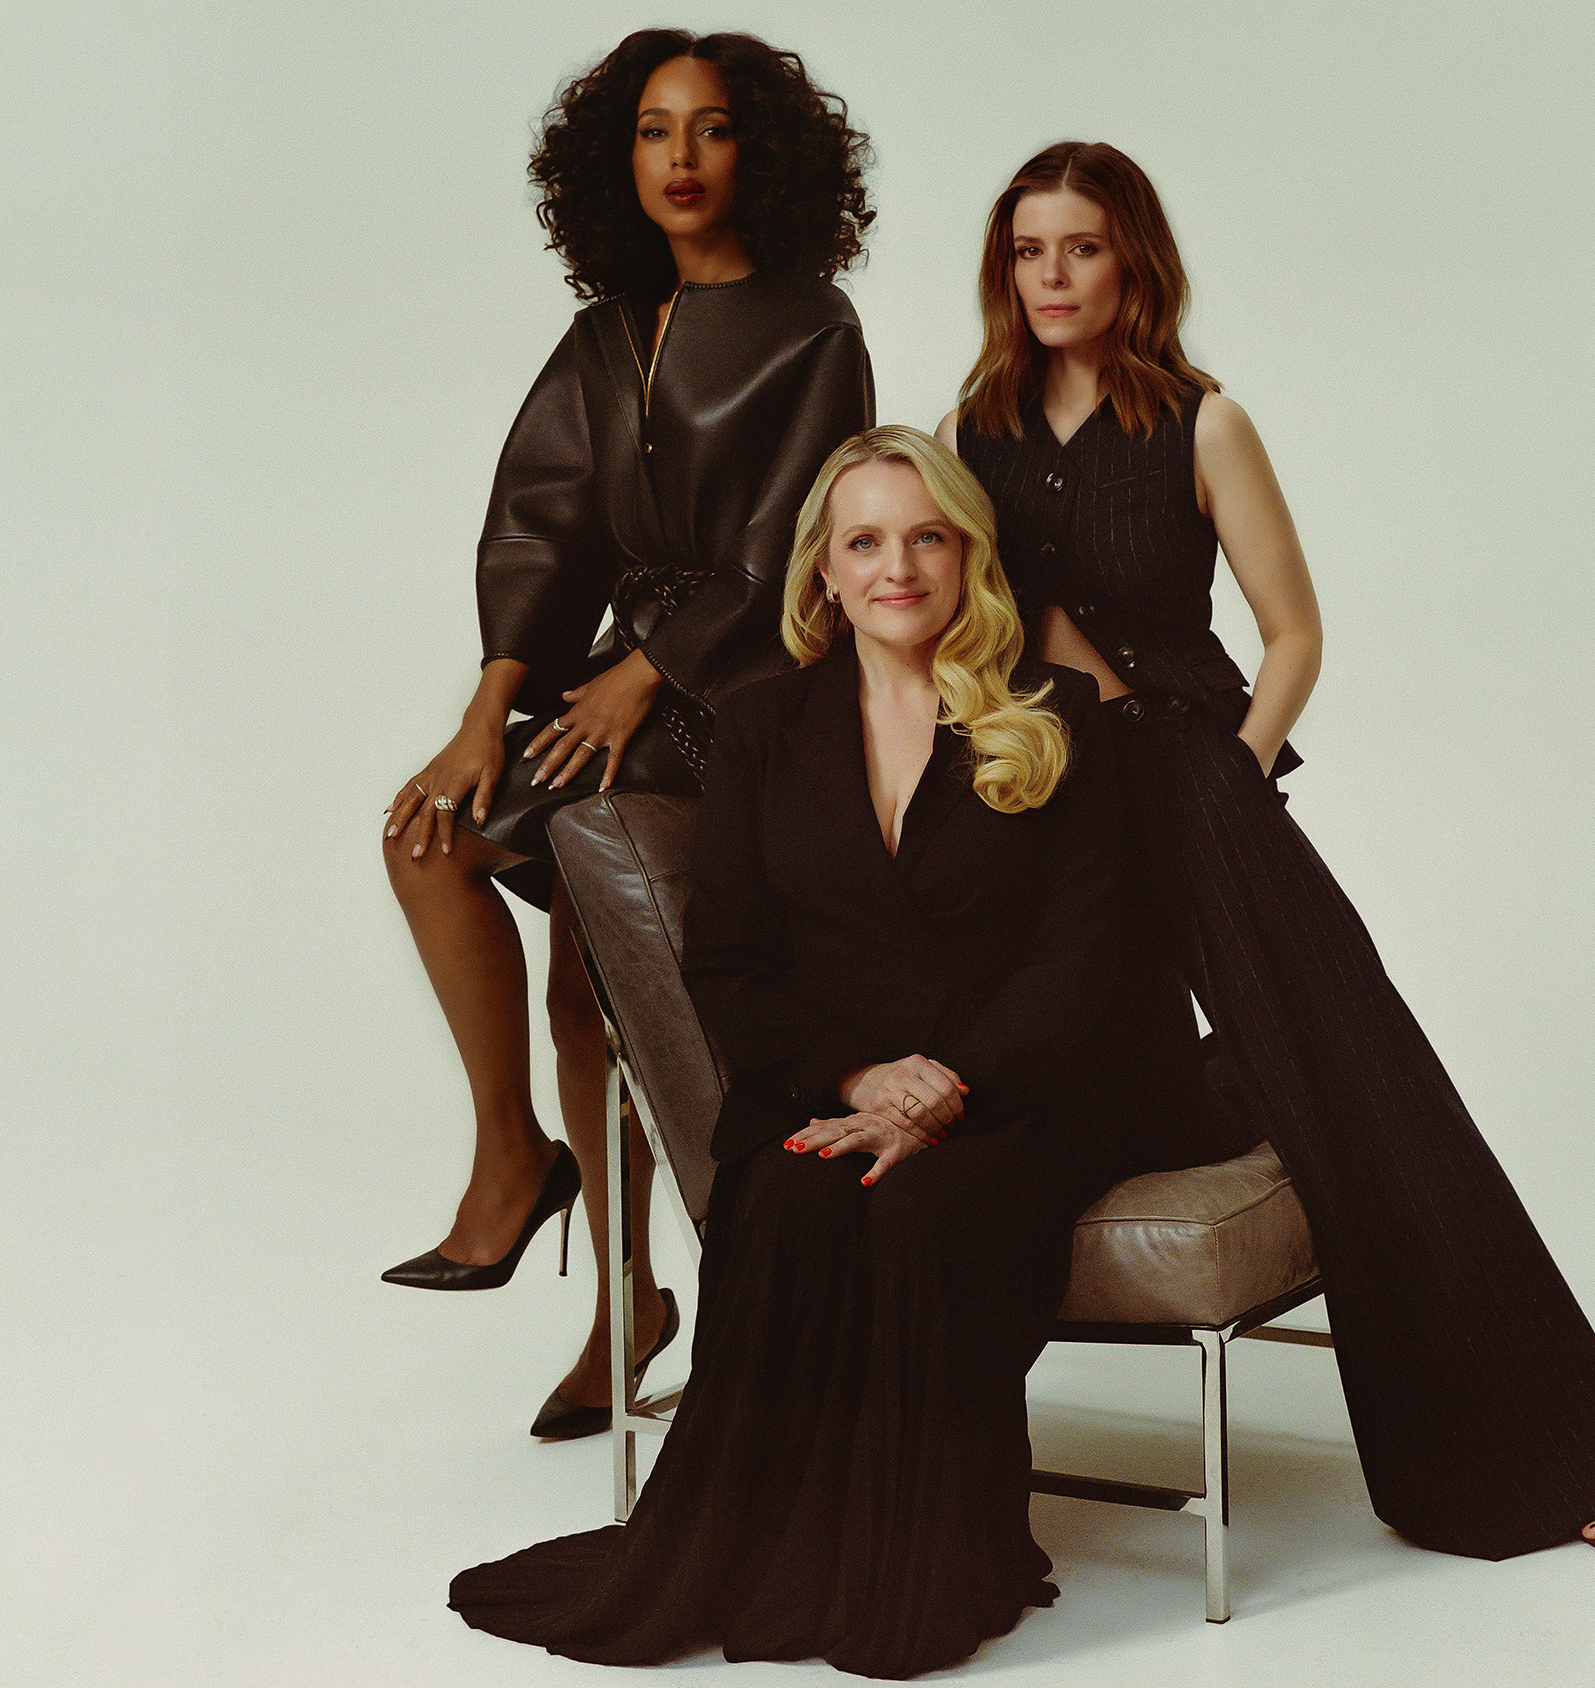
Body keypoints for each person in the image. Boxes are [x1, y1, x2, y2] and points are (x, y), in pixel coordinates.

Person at [942, 141, 1595, 1560]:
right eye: (1031, 252)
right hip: (1058, 808)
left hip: (1196, 780)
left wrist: (1238, 776)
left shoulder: (1203, 422)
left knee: (1360, 1084)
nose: (1054, 277)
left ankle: (1549, 1452)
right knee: (1070, 1068)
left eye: (1081, 247)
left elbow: (1295, 635)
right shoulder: (976, 432)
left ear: (1132, 260)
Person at [447, 427, 1256, 1679]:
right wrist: (860, 1081)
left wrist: (950, 1082)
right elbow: (731, 963)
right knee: (784, 1203)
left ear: (969, 555)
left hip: (1037, 1084)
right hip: (833, 1077)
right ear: (823, 568)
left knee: (926, 1211)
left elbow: (1082, 959)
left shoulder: (1058, 713)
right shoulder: (764, 725)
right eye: (866, 539)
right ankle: (776, 1547)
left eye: (928, 535)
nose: (899, 565)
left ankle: (925, 1562)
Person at [374, 31, 874, 1441]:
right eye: (654, 133)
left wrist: (645, 676)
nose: (680, 160)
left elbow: (795, 538)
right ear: (619, 161)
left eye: (710, 131)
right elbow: (539, 523)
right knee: (436, 841)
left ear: (757, 154)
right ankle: (531, 1181)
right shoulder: (603, 336)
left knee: (616, 987)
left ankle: (637, 1301)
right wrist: (486, 714)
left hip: (744, 692)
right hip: (611, 682)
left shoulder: (813, 323)